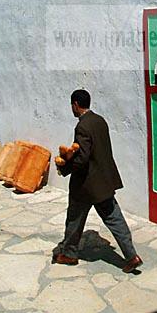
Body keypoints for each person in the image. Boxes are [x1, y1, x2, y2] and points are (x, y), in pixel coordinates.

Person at [52, 89, 142, 273]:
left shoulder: (82, 126)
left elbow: (83, 157)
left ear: (75, 104)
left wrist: (65, 167)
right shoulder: (100, 121)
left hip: (86, 185)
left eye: (72, 105)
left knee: (74, 219)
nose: (72, 109)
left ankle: (69, 253)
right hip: (104, 182)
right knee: (115, 219)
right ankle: (131, 255)